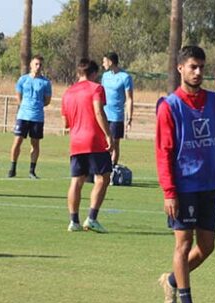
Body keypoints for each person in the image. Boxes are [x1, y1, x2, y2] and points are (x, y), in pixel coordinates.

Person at [155, 46, 215, 303]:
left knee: (207, 246)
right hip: (183, 186)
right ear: (180, 69)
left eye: (202, 67)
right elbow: (163, 151)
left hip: (208, 185)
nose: (198, 72)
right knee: (183, 244)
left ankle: (172, 280)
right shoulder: (170, 106)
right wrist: (169, 191)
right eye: (193, 67)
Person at [61, 59, 113, 233]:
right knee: (103, 177)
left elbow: (65, 122)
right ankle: (91, 218)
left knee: (77, 180)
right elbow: (98, 110)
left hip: (76, 141)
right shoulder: (96, 88)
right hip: (94, 140)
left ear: (78, 73)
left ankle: (73, 221)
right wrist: (108, 134)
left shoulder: (68, 92)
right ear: (94, 73)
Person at [8, 55, 52, 179]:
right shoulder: (23, 79)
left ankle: (32, 171)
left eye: (40, 65)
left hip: (37, 117)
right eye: (36, 64)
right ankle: (12, 168)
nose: (38, 67)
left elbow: (47, 100)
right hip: (23, 116)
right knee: (17, 142)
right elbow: (18, 96)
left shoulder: (46, 83)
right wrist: (24, 106)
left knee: (35, 144)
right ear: (31, 65)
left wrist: (37, 106)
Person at [101, 52, 133, 166]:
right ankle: (103, 167)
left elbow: (129, 99)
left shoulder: (125, 77)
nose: (103, 64)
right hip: (104, 114)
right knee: (103, 142)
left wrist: (129, 118)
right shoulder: (105, 76)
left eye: (104, 61)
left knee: (114, 143)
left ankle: (112, 168)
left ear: (110, 62)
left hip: (116, 116)